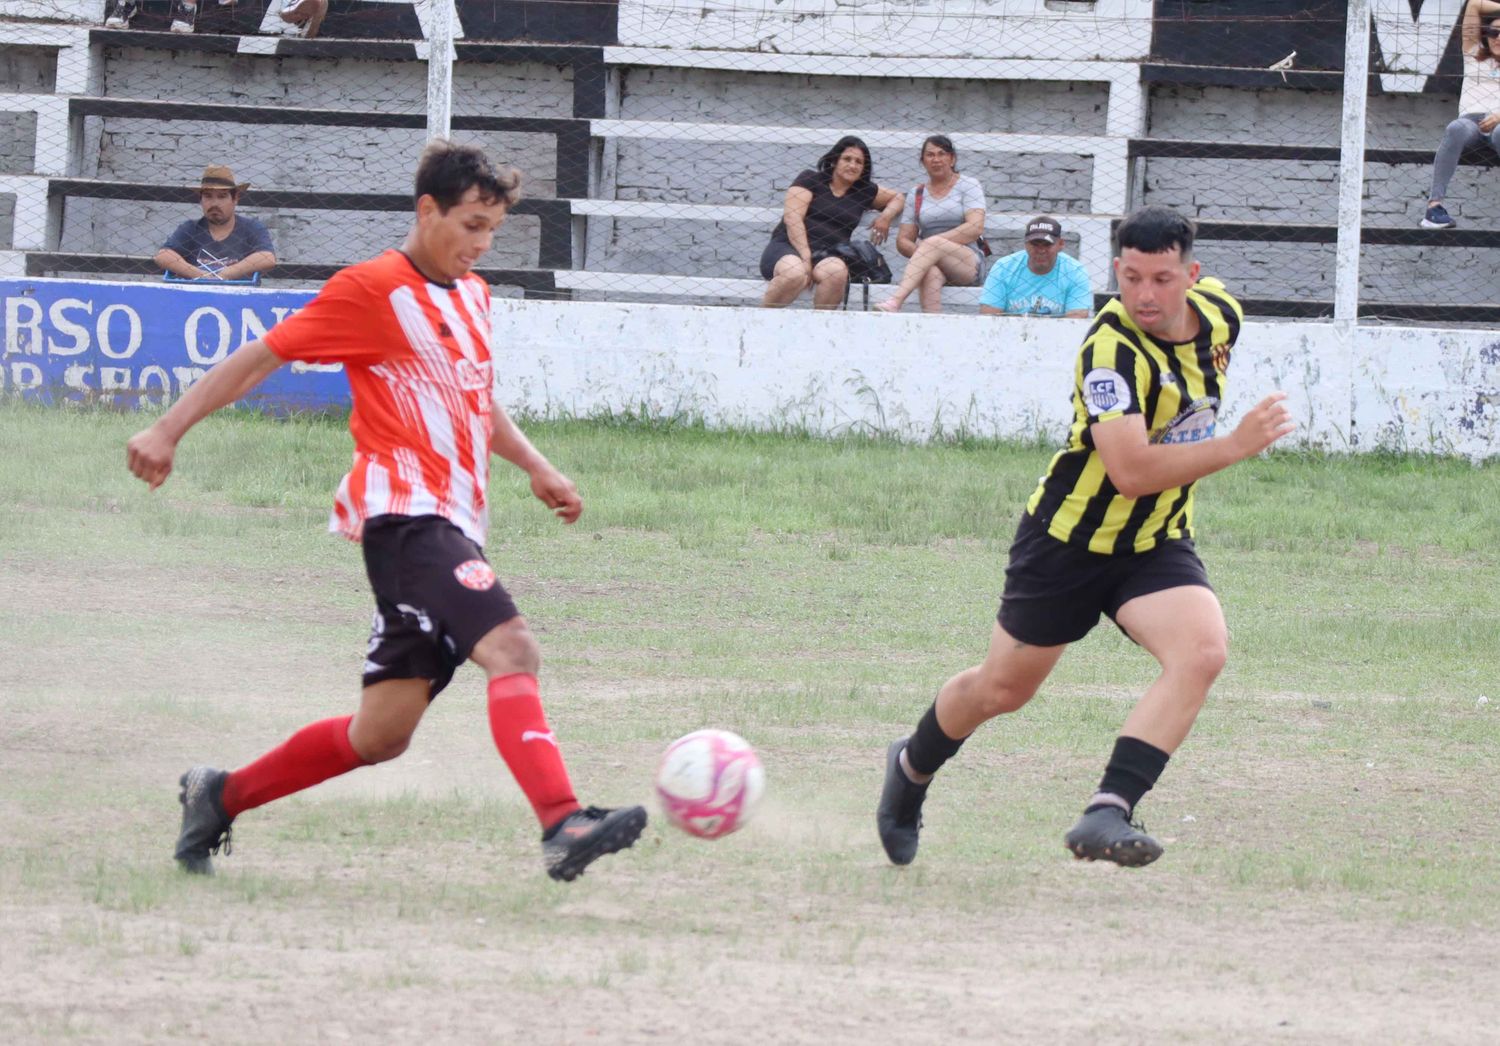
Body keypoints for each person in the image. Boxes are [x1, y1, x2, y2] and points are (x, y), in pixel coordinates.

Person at [126, 140, 647, 883]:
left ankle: (219, 795)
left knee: (381, 734)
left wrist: (535, 464)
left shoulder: (474, 295)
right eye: (470, 225)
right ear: (426, 210)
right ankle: (562, 822)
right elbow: (262, 355)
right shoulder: (372, 289)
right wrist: (166, 429)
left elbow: (473, 396)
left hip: (455, 522)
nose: (481, 244)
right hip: (407, 520)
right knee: (512, 648)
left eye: (492, 230)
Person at [876, 206, 1294, 870]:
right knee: (1002, 692)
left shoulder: (1220, 315)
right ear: (1116, 274)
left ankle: (1108, 810)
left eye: (1162, 279)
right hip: (1067, 543)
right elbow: (1129, 472)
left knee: (1202, 653)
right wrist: (1235, 446)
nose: (1146, 296)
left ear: (1193, 275)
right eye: (1131, 278)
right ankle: (910, 768)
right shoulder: (1109, 347)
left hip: (1154, 543)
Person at [759, 136, 905, 309]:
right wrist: (805, 258)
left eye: (859, 162)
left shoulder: (863, 191)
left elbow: (899, 197)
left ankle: (819, 331)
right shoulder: (810, 179)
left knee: (837, 273)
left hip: (828, 253)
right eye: (847, 159)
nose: (852, 165)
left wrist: (885, 217)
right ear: (834, 160)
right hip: (789, 247)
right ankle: (757, 326)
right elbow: (793, 218)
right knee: (794, 274)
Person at [874, 135, 988, 314]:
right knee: (929, 272)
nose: (936, 159)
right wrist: (927, 252)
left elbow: (975, 227)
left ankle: (895, 301)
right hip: (929, 260)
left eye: (942, 154)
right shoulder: (916, 193)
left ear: (952, 159)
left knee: (932, 244)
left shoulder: (968, 185)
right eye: (930, 155)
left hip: (966, 262)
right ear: (923, 161)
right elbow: (903, 240)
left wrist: (932, 244)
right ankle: (933, 329)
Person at [1421, 0, 1500, 228]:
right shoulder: (1475, 55)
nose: (1497, 37)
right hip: (1471, 123)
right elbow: (1474, 4)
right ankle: (1434, 208)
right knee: (1455, 127)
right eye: (1494, 32)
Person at [155, 165, 277, 282]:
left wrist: (226, 274)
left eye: (222, 196)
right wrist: (199, 275)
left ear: (235, 199)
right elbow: (163, 256)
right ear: (201, 200)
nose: (215, 203)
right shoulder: (191, 229)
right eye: (208, 196)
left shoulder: (251, 228)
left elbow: (267, 258)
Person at [977, 216, 1092, 318]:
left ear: (1060, 244)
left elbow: (1076, 322)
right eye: (1034, 244)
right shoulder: (1003, 268)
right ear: (1025, 244)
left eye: (1048, 244)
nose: (1041, 250)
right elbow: (989, 318)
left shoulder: (1075, 272)